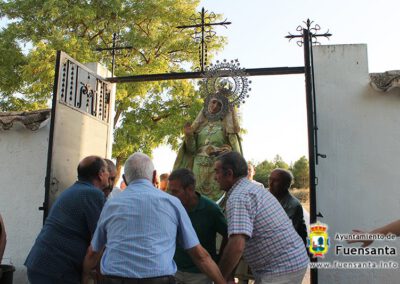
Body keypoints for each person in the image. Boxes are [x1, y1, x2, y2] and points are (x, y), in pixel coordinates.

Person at [82, 152, 225, 284]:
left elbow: (93, 252)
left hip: (115, 279)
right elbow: (200, 256)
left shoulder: (111, 204)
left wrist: (83, 278)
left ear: (125, 178)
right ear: (154, 175)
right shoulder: (172, 203)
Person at [214, 152, 309, 284]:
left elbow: (237, 245)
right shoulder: (251, 189)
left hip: (281, 270)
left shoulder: (239, 197)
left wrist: (220, 278)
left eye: (216, 172)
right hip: (291, 263)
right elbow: (234, 239)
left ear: (229, 174)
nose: (215, 177)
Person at [24, 156, 109, 284]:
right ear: (101, 174)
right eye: (107, 170)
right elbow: (96, 244)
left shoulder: (73, 190)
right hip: (57, 271)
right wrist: (86, 275)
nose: (109, 174)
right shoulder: (93, 194)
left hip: (40, 264)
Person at [174, 93, 242, 202]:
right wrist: (189, 135)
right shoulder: (200, 127)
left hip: (216, 168)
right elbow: (191, 150)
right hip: (198, 166)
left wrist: (225, 151)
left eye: (219, 104)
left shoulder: (225, 127)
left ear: (223, 108)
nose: (215, 106)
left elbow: (233, 150)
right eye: (213, 102)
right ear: (207, 104)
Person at [168, 168, 228, 284]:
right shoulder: (172, 207)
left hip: (200, 275)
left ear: (190, 189)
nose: (172, 196)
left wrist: (220, 260)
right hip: (175, 270)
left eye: (175, 192)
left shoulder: (211, 209)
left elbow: (228, 234)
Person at [268, 168, 308, 246]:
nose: (271, 183)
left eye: (276, 180)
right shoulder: (264, 196)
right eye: (270, 179)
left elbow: (281, 231)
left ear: (286, 184)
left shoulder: (293, 205)